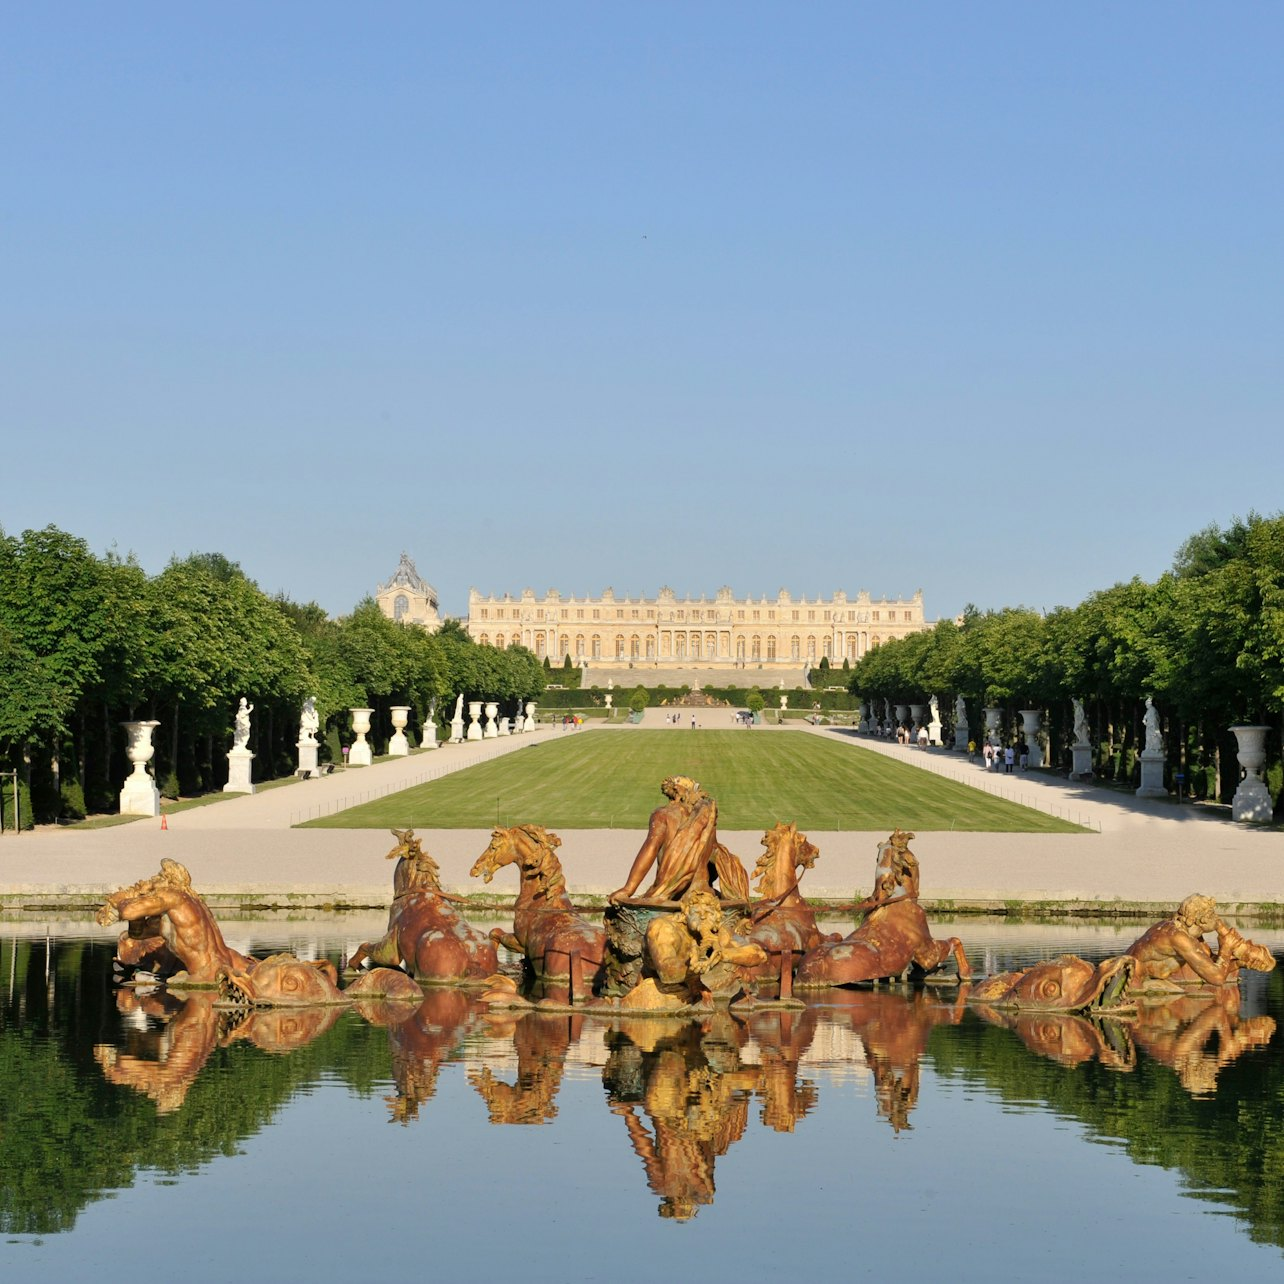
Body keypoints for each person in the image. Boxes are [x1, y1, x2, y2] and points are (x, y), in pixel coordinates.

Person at [1126, 894, 1276, 989]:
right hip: (1131, 980)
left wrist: (1239, 963)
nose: (1217, 920)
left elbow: (1211, 966)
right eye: (1212, 915)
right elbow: (1216, 979)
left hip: (1143, 977)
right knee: (1191, 1039)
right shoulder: (1179, 938)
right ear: (1200, 920)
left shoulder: (1180, 927)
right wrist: (1226, 948)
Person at [609, 777, 721, 903]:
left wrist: (628, 888)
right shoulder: (706, 819)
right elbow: (715, 858)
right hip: (703, 892)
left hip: (672, 895)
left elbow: (651, 847)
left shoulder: (663, 814)